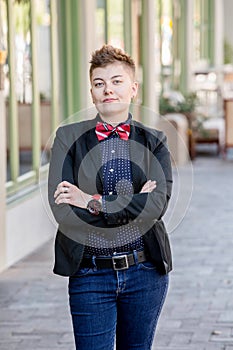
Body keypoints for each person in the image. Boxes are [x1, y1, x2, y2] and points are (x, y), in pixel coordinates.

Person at [48, 44, 173, 350]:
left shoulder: (154, 142)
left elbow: (156, 206)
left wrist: (93, 201)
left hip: (145, 272)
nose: (108, 90)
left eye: (117, 81)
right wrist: (133, 203)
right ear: (91, 92)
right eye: (99, 83)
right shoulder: (69, 138)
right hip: (89, 272)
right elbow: (64, 211)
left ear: (133, 89)